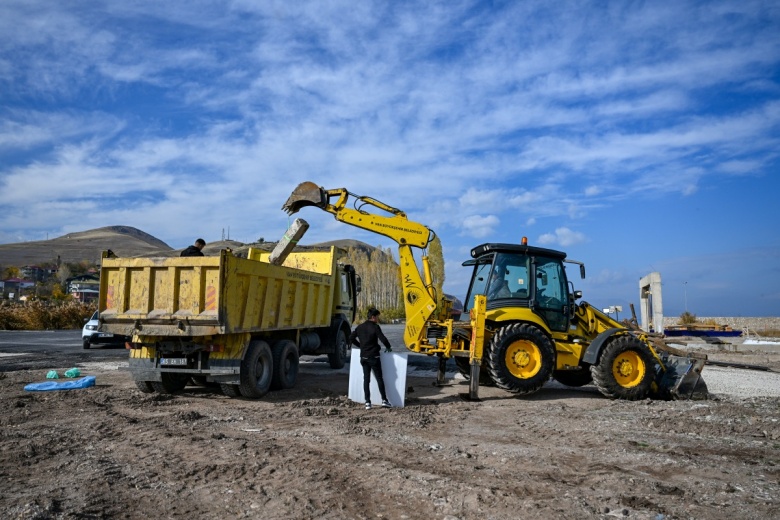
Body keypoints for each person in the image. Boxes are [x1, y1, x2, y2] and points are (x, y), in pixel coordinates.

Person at [349, 308, 393, 410]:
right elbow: (383, 338)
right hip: (374, 356)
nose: (378, 318)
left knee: (366, 379)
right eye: (377, 316)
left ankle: (367, 403)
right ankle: (384, 400)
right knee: (379, 378)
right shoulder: (375, 327)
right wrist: (388, 347)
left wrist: (360, 346)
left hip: (364, 357)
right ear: (373, 317)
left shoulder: (360, 327)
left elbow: (350, 338)